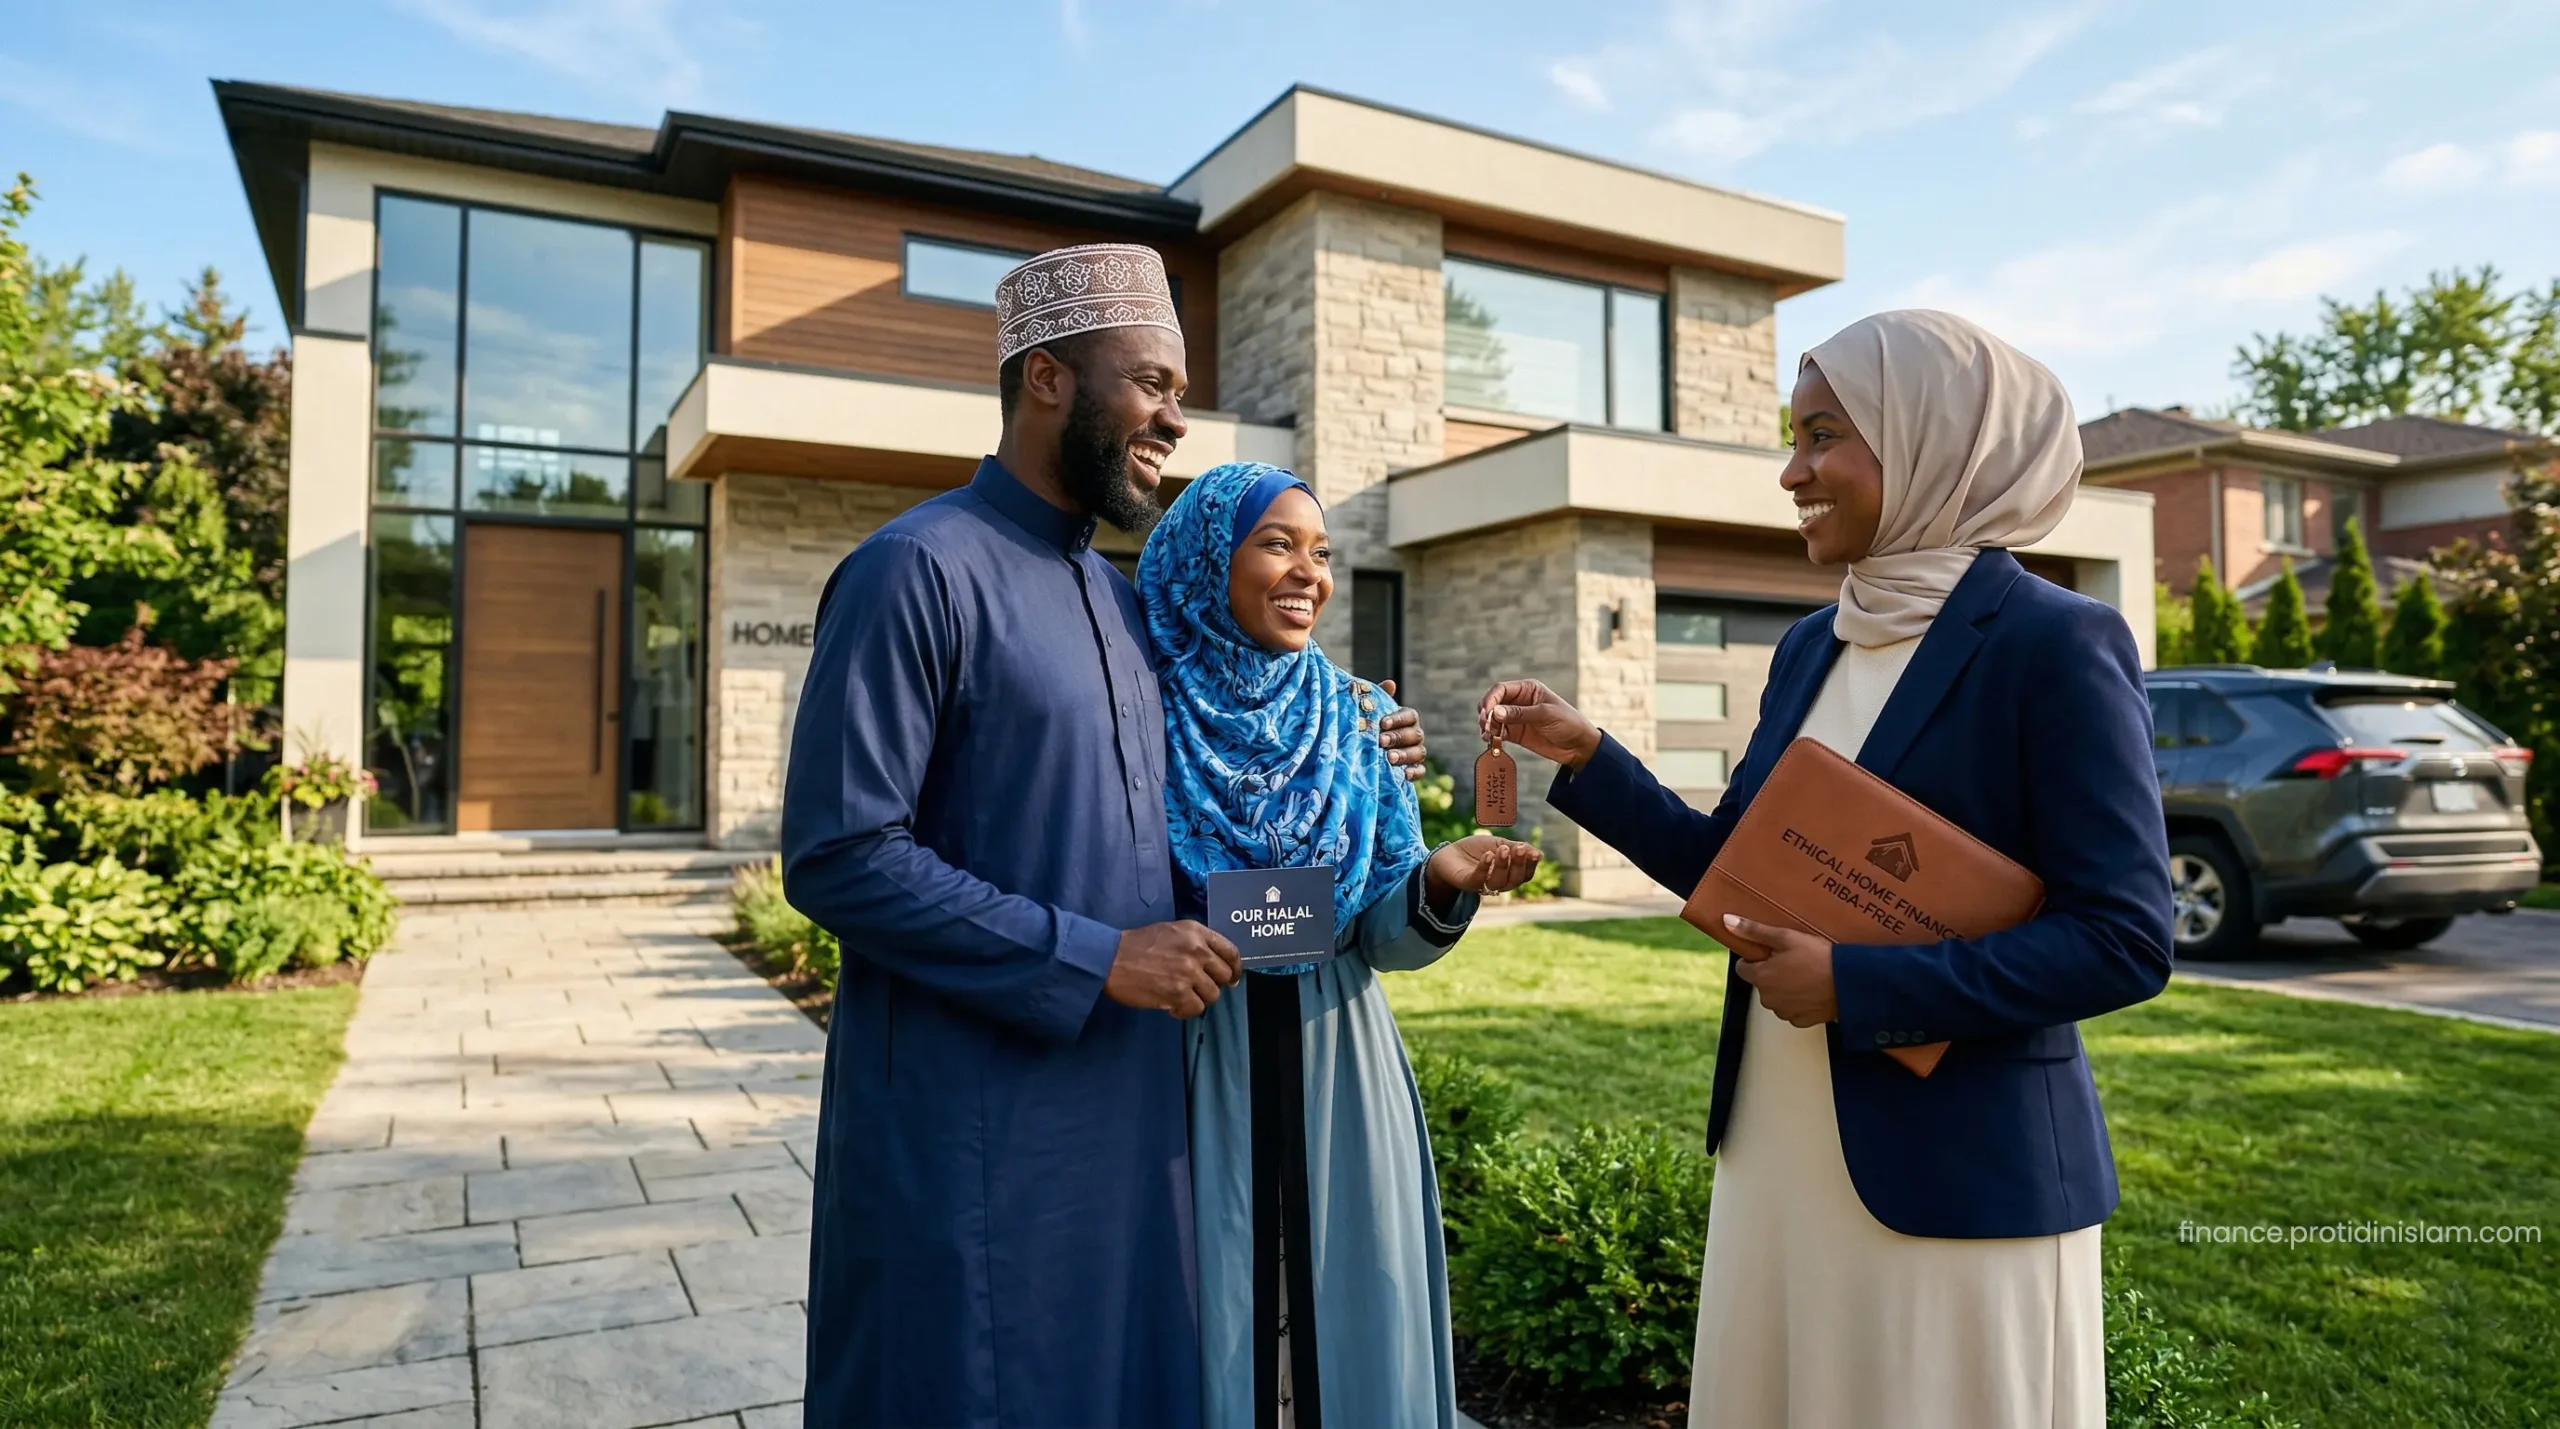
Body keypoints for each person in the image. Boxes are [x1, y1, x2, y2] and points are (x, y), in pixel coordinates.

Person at [1479, 309, 2174, 1429]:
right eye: (1793, 437)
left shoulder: (2057, 643)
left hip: (1956, 1173)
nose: (1791, 470)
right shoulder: (1814, 643)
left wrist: (1859, 988)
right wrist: (1592, 759)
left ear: (1932, 441)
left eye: (1821, 437)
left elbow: (2124, 938)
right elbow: (1744, 869)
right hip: (1778, 1143)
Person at [783, 245, 1429, 1429]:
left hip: (1135, 1128)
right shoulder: (913, 571)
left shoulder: (1123, 604)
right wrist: (1099, 958)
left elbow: (1193, 825)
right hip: (969, 1124)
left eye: (1178, 392)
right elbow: (839, 853)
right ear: (1046, 378)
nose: (1174, 420)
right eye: (1151, 385)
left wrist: (1356, 779)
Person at [1137, 462, 1541, 1429]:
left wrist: (1441, 878)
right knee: (1209, 1330)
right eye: (1276, 543)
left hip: (1341, 1068)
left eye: (1321, 552)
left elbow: (1383, 937)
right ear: (1206, 561)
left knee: (1348, 1326)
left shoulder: (1361, 717)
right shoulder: (1134, 709)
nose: (1307, 573)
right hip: (1192, 1064)